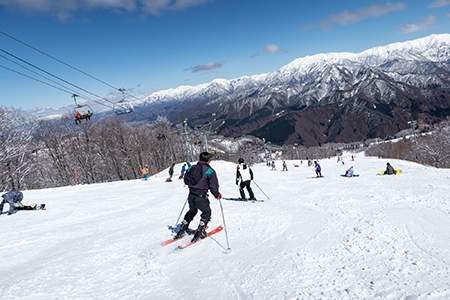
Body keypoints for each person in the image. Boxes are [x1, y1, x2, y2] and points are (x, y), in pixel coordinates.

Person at [175, 152, 222, 242]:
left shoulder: (192, 168)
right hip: (201, 197)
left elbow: (185, 180)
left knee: (192, 211)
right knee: (206, 213)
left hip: (191, 195)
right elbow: (213, 185)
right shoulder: (210, 171)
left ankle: (183, 228)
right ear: (208, 160)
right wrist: (217, 194)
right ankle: (200, 231)